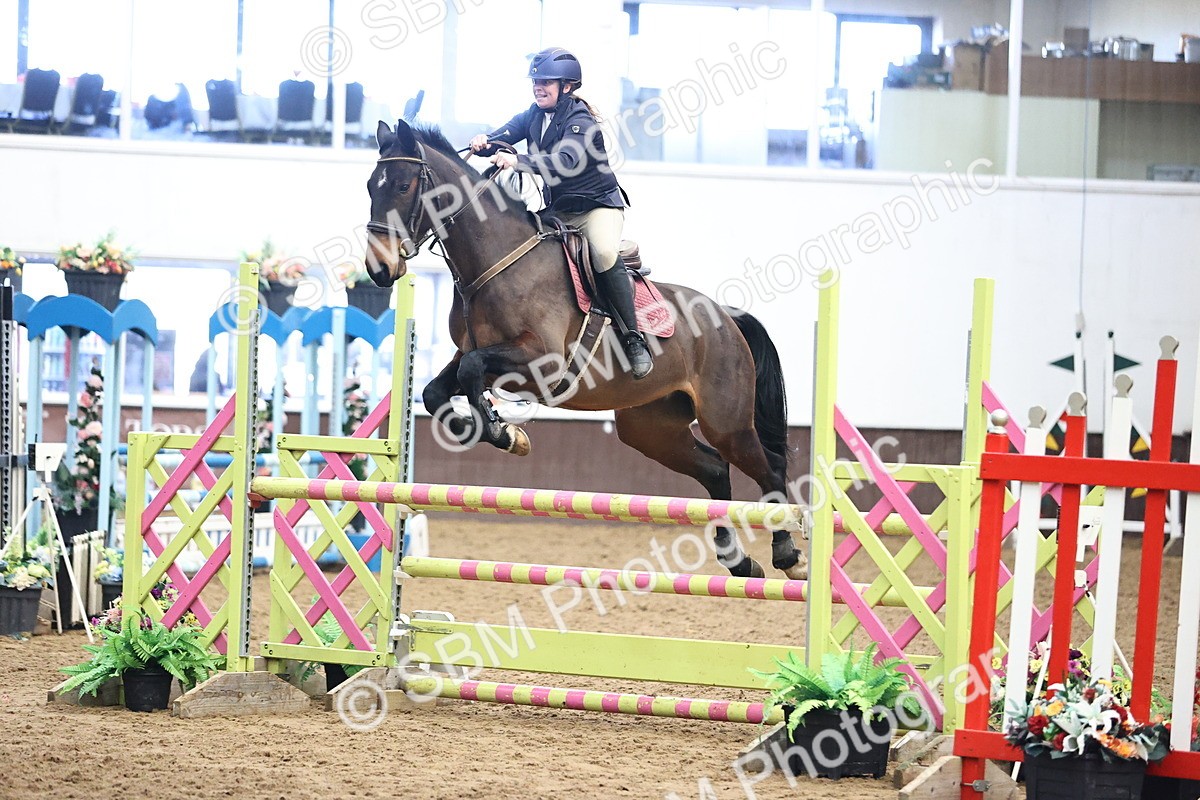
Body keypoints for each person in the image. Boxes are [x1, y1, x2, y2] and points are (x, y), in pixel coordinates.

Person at [469, 46, 653, 379]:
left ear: (567, 86)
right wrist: (486, 142)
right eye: (536, 82)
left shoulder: (580, 120)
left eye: (547, 83)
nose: (538, 88)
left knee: (603, 251)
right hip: (558, 211)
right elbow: (505, 135)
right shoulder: (533, 115)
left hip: (597, 208)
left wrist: (520, 161)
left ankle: (633, 338)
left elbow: (566, 162)